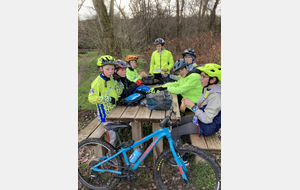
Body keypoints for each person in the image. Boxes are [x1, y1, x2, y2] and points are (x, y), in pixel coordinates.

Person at [168, 63, 221, 166]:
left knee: (174, 132)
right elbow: (201, 105)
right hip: (199, 118)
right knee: (176, 123)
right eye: (200, 75)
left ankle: (183, 158)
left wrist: (192, 106)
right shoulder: (207, 88)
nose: (200, 78)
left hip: (206, 125)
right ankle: (189, 146)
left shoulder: (216, 96)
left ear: (213, 79)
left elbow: (207, 119)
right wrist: (189, 103)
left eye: (203, 76)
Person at [88, 55, 124, 146]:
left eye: (112, 69)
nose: (111, 71)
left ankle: (115, 152)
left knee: (117, 132)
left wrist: (119, 82)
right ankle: (109, 157)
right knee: (112, 138)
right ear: (101, 69)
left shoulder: (111, 79)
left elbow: (119, 92)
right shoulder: (97, 82)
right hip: (105, 115)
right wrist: (107, 99)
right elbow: (91, 98)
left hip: (114, 112)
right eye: (107, 69)